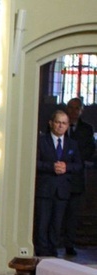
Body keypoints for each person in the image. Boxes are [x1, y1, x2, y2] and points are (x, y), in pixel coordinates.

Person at [34, 110, 82, 257]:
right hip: (45, 188)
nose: (61, 126)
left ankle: (53, 248)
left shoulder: (72, 144)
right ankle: (42, 249)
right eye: (58, 122)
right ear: (51, 123)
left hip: (62, 190)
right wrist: (51, 167)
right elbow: (35, 162)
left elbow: (79, 165)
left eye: (64, 123)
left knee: (57, 221)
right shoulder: (42, 141)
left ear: (68, 126)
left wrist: (66, 167)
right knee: (43, 221)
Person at [62, 98, 96, 256]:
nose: (74, 111)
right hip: (59, 176)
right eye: (71, 107)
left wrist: (74, 162)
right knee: (56, 212)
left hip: (76, 177)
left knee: (72, 213)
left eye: (77, 108)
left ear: (81, 110)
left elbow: (89, 151)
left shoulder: (87, 129)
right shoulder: (59, 124)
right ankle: (53, 243)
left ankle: (69, 243)